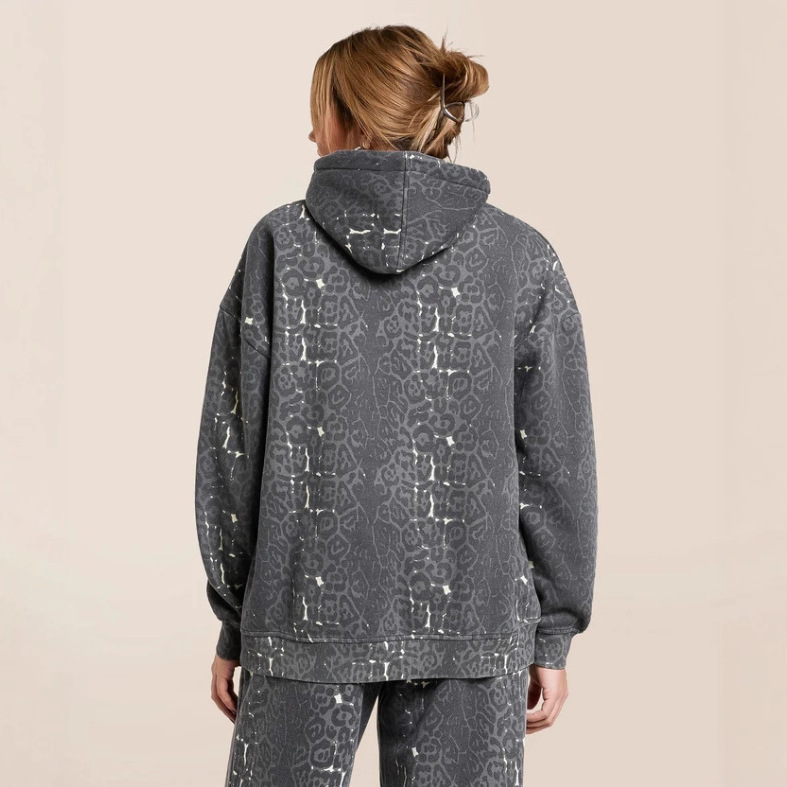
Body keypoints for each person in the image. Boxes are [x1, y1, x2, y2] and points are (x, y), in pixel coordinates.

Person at [194, 24, 598, 787]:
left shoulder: (279, 246)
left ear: (353, 120)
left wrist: (235, 615)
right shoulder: (520, 256)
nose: (309, 133)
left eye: (318, 113)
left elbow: (233, 449)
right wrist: (551, 629)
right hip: (472, 615)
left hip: (303, 610)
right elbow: (556, 460)